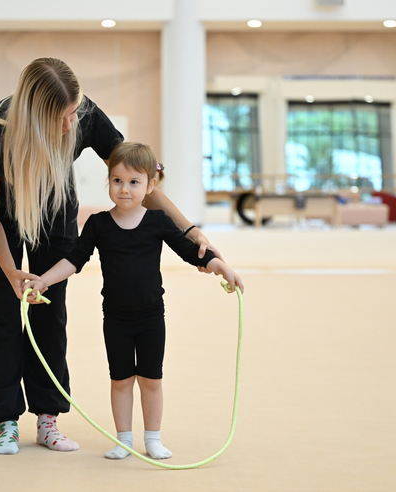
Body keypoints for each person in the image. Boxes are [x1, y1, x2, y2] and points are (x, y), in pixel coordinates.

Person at [0, 58, 225, 455]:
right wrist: (8, 269)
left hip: (52, 203)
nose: (71, 125)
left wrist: (189, 230)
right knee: (1, 310)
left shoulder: (83, 114)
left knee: (49, 307)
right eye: (61, 118)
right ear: (35, 116)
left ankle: (48, 417)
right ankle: (6, 421)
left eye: (73, 113)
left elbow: (139, 173)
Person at [23, 142, 244, 460]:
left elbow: (188, 251)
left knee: (151, 380)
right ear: (109, 181)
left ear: (151, 185)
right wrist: (43, 279)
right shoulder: (98, 224)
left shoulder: (157, 221)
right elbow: (74, 260)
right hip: (115, 319)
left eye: (134, 182)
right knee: (121, 380)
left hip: (151, 317)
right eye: (117, 181)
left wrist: (221, 266)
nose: (124, 189)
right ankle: (124, 439)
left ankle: (152, 438)